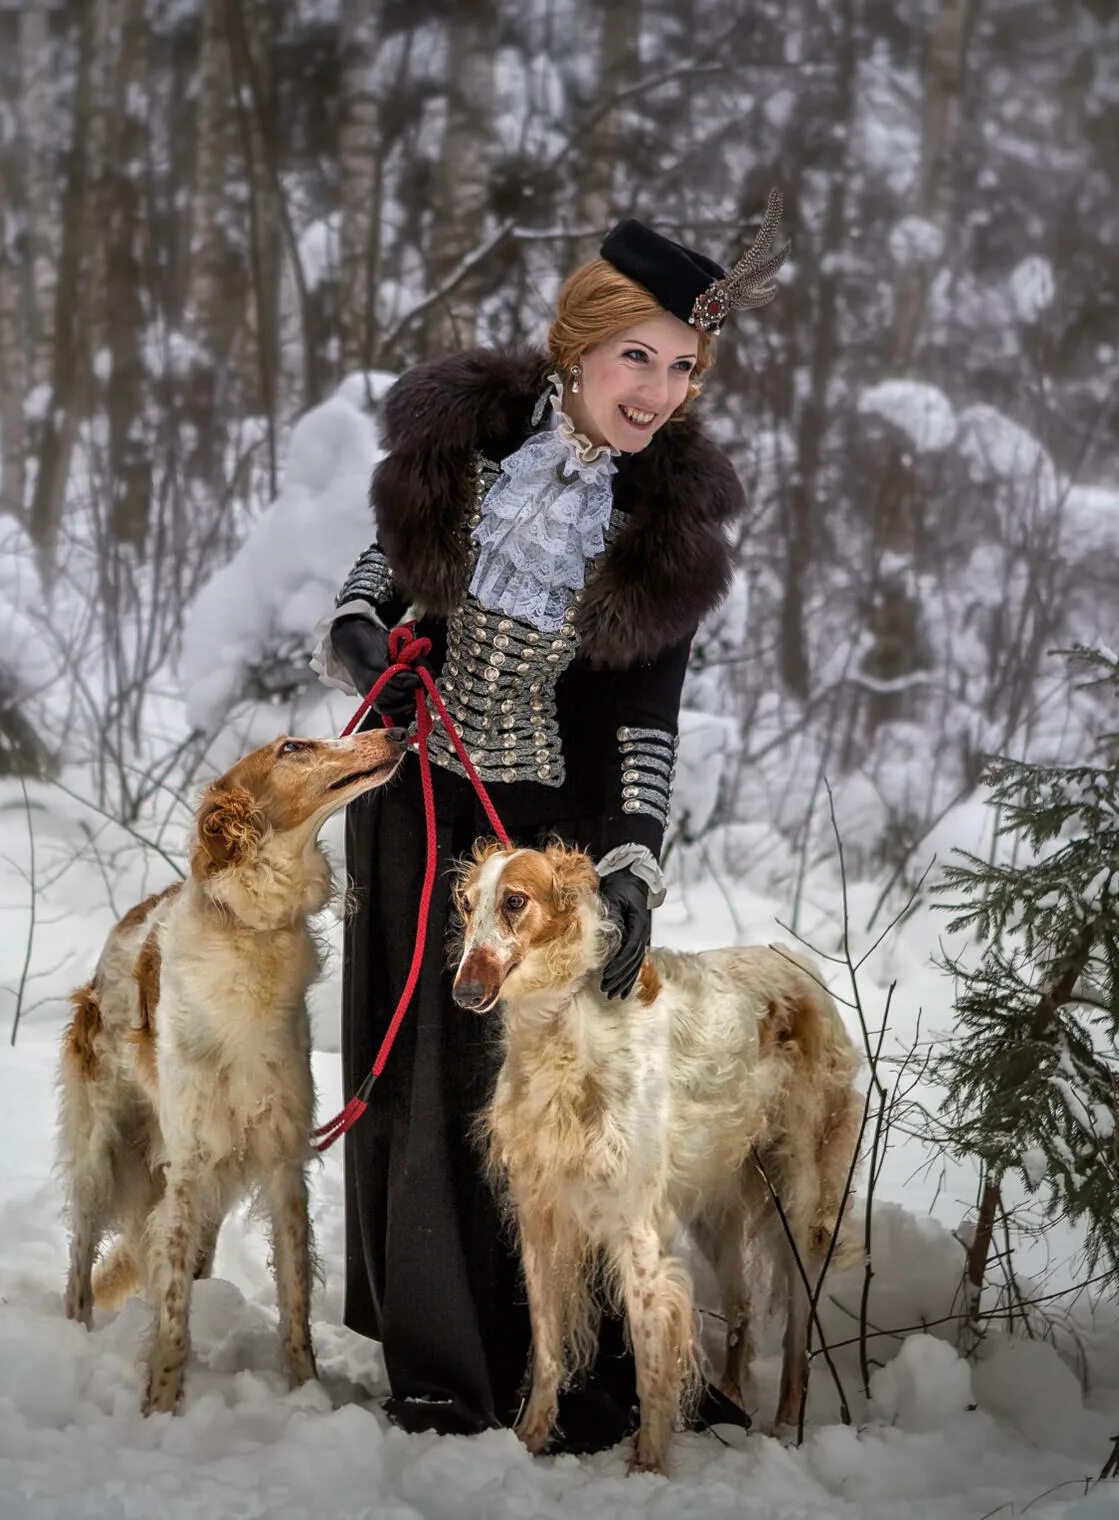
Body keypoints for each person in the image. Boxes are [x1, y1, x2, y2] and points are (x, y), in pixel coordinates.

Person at [312, 197, 787, 1451]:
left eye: (682, 369)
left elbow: (645, 723)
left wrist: (630, 869)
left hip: (544, 856)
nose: (658, 390)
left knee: (542, 1095)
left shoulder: (663, 530)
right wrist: (383, 660)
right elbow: (363, 598)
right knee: (420, 1072)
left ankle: (556, 1365)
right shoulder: (462, 445)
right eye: (639, 355)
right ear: (578, 341)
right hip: (418, 814)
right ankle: (435, 1360)